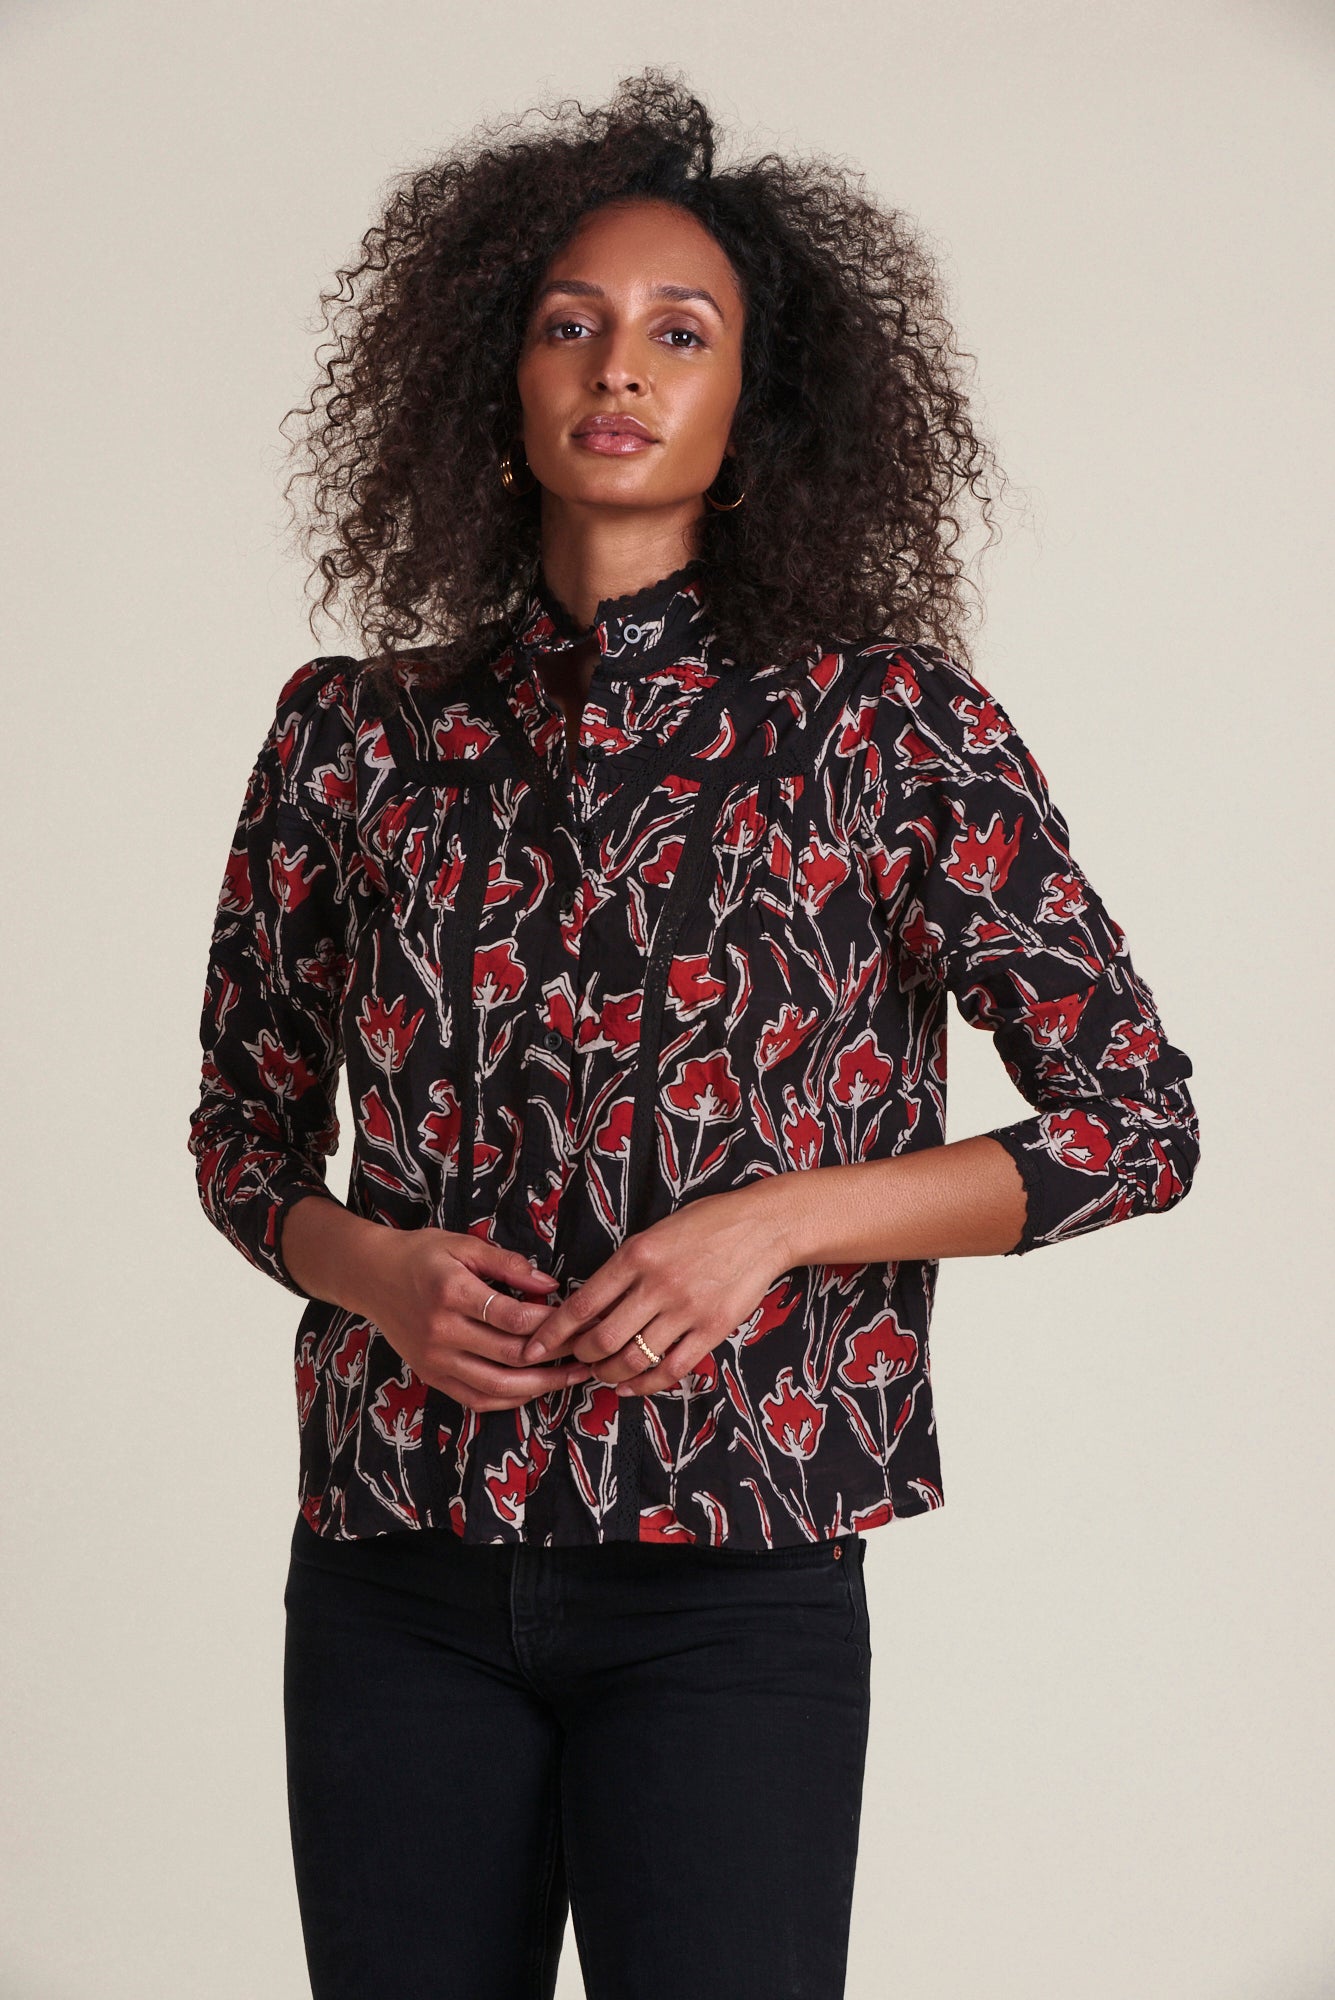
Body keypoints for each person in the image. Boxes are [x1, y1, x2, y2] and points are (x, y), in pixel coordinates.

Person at [187, 67, 1200, 2000]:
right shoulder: (353, 734)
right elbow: (244, 1133)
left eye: (681, 331)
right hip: (395, 1569)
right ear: (491, 381)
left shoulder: (889, 731)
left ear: (759, 405)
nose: (618, 367)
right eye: (569, 324)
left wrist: (778, 1222)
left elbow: (1134, 1124)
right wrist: (372, 1270)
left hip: (734, 1581)